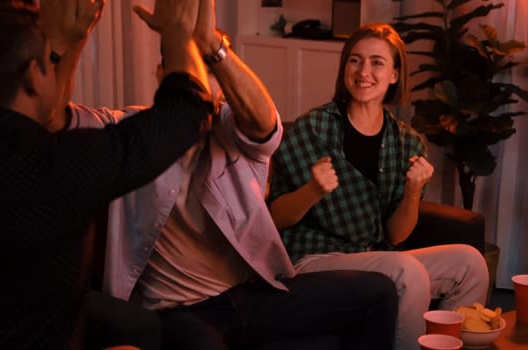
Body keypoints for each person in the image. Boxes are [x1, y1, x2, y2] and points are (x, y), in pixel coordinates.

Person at [48, 1, 400, 349]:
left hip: (249, 296)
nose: (205, 81)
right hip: (178, 311)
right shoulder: (127, 131)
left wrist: (213, 45)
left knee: (378, 291)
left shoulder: (233, 127)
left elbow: (266, 125)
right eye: (192, 68)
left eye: (212, 70)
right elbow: (53, 119)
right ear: (162, 75)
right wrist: (73, 41)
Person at [0, 0, 215, 348]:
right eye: (49, 63)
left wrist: (62, 41)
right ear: (32, 76)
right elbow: (187, 111)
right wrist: (178, 33)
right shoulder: (54, 168)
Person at [267, 23, 490, 350]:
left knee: (470, 264)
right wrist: (313, 190)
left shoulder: (407, 142)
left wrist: (413, 191)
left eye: (377, 62)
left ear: (395, 75)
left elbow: (396, 236)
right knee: (405, 270)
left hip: (373, 255)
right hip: (311, 257)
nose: (363, 71)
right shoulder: (312, 129)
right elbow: (273, 218)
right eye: (355, 60)